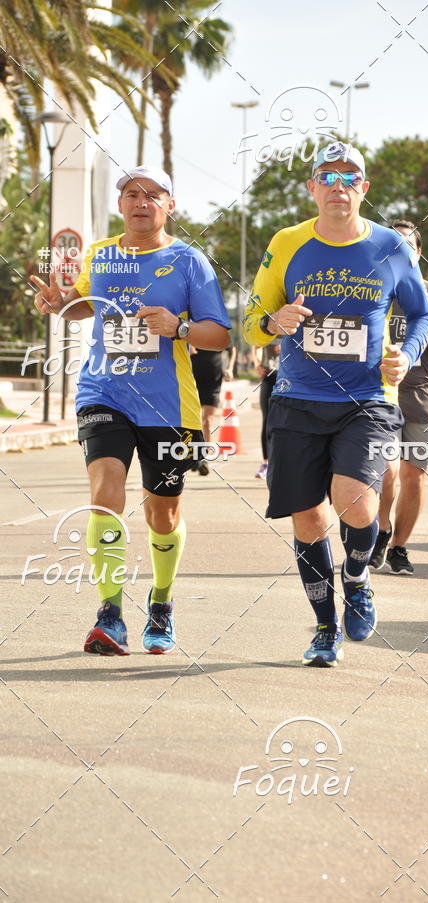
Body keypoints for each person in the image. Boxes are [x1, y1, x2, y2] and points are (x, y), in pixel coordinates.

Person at [243, 141, 428, 668]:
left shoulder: (391, 247)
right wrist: (271, 322)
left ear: (364, 189)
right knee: (307, 518)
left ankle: (357, 576)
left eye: (350, 178)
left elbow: (422, 314)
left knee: (357, 503)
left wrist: (407, 355)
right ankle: (326, 628)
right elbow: (252, 319)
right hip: (298, 399)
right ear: (311, 187)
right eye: (327, 177)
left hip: (367, 399)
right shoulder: (286, 243)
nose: (338, 186)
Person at [31, 165, 230, 655]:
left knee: (162, 516)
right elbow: (84, 304)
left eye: (153, 195)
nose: (141, 202)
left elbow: (220, 335)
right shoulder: (100, 255)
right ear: (120, 205)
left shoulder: (189, 262)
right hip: (104, 392)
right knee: (104, 494)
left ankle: (160, 603)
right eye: (132, 194)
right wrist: (60, 302)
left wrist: (178, 327)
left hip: (168, 405)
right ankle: (110, 614)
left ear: (170, 206)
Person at [369, 221, 428, 575]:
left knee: (414, 476)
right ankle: (382, 530)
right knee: (385, 473)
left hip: (421, 397)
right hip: (380, 395)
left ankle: (399, 548)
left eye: (407, 245)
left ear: (418, 253)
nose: (401, 251)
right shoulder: (373, 289)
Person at [190, 343, 236, 475]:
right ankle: (194, 456)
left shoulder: (218, 327)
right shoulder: (192, 327)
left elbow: (232, 348)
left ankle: (203, 458)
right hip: (193, 382)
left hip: (213, 383)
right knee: (193, 421)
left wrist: (230, 368)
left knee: (207, 421)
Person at [251, 342, 281, 479]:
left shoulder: (296, 325)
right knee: (267, 420)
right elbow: (255, 345)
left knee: (290, 420)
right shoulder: (269, 323)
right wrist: (257, 363)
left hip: (289, 378)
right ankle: (266, 463)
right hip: (269, 376)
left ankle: (286, 463)